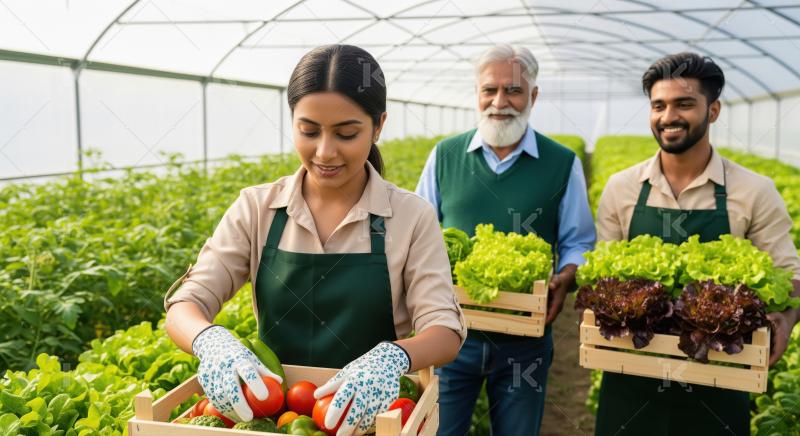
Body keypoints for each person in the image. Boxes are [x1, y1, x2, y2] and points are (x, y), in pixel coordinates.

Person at [163, 44, 466, 436]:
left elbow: (444, 330)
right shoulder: (258, 209)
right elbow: (187, 302)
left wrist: (393, 358)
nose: (325, 152)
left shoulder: (410, 217)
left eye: (346, 133)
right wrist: (209, 340)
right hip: (278, 418)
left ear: (378, 126)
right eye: (308, 131)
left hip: (372, 421)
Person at [594, 52, 800, 435]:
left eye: (684, 104)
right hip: (631, 371)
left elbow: (790, 272)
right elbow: (602, 276)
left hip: (719, 376)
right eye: (659, 105)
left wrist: (785, 320)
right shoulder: (622, 188)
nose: (668, 116)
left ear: (714, 110)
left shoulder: (754, 191)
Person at [415, 44, 596, 436]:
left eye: (513, 90)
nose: (500, 102)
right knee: (440, 431)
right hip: (448, 336)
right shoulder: (444, 156)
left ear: (533, 96)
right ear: (477, 94)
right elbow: (418, 238)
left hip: (524, 341)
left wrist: (566, 276)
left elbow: (578, 241)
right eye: (489, 90)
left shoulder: (562, 162)